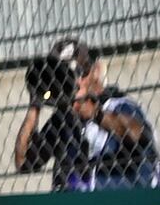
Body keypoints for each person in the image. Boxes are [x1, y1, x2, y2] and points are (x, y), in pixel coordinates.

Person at [14, 38, 155, 190]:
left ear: (95, 71)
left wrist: (95, 113)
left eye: (78, 73)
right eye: (61, 75)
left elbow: (138, 134)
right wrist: (36, 104)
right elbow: (24, 163)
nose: (73, 81)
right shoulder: (62, 118)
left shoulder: (120, 105)